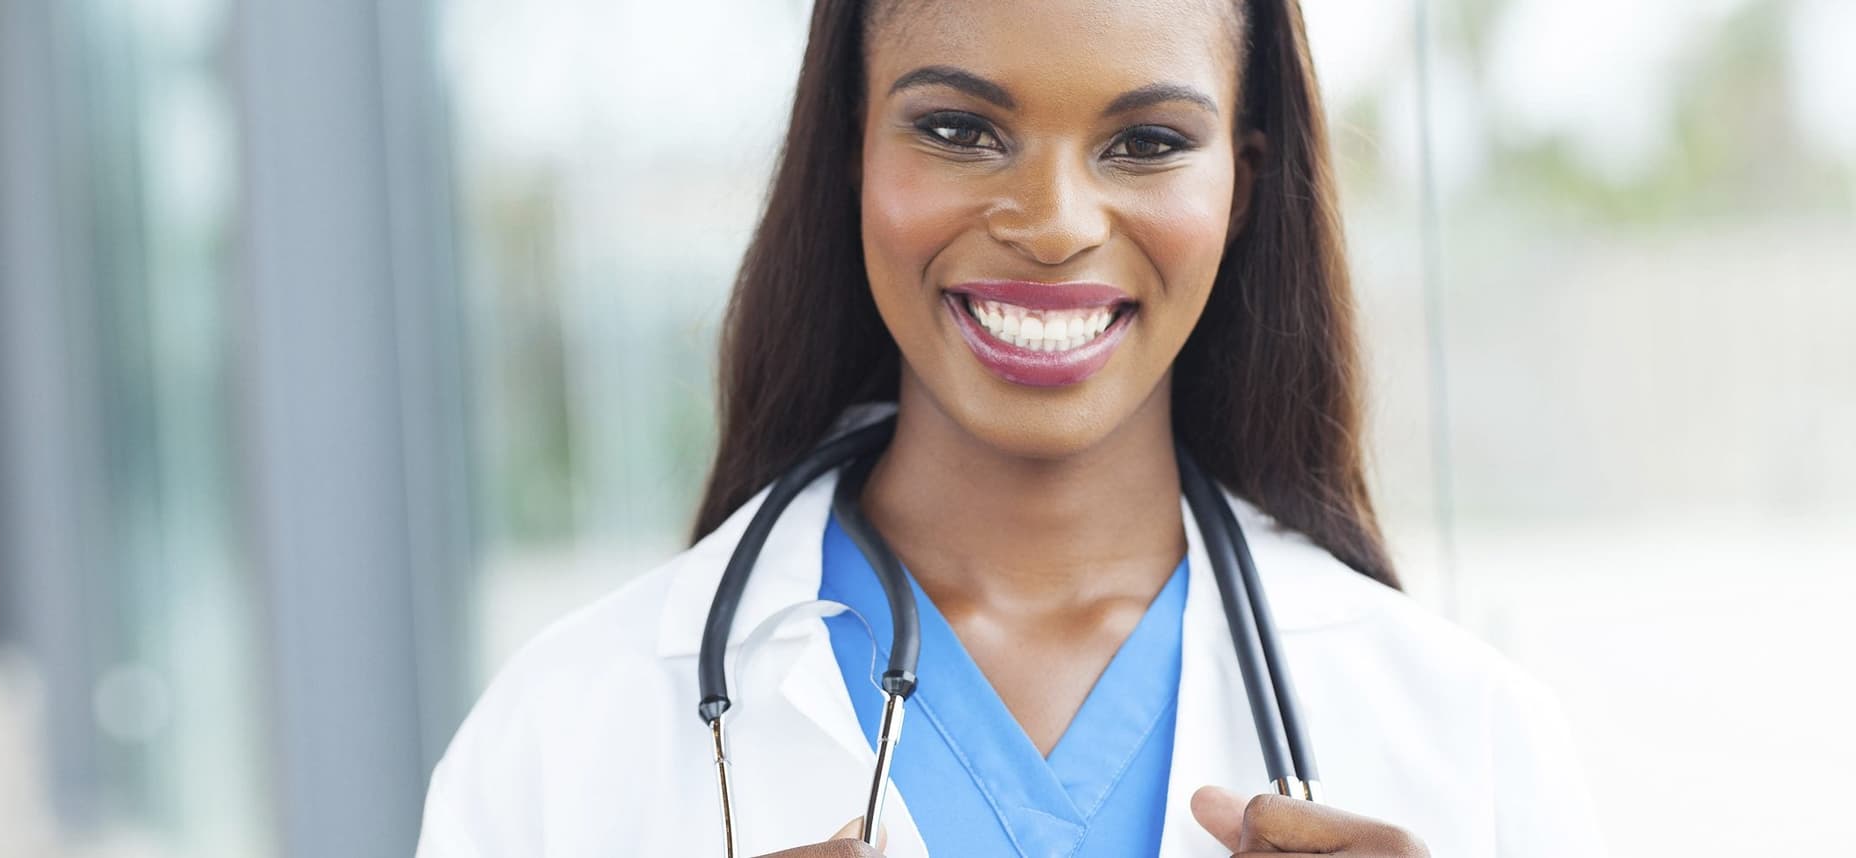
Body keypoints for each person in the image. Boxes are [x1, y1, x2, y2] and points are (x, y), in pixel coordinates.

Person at [416, 0, 1603, 855]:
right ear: (849, 151)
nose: (1050, 223)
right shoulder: (563, 737)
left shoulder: (1469, 736)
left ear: (1239, 185)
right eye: (957, 129)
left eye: (1145, 143)